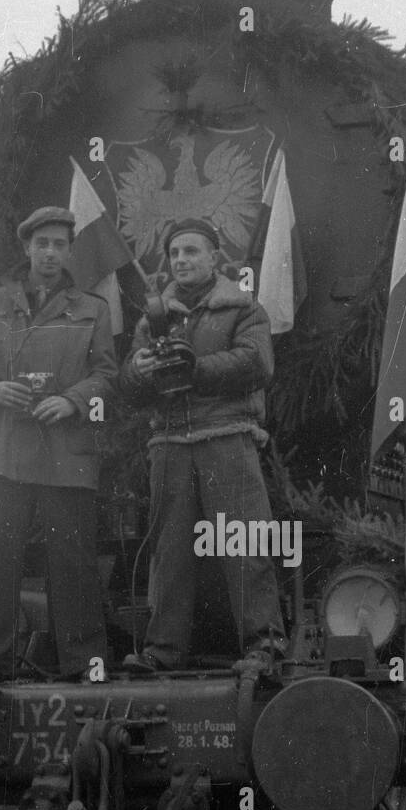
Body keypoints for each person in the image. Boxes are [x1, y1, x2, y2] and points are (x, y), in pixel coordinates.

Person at [0, 206, 116, 680]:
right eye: (42, 243)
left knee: (75, 563)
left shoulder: (91, 309)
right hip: (3, 451)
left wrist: (72, 400)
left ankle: (87, 666)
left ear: (68, 251)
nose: (50, 252)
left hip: (67, 454)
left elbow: (107, 374)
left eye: (60, 244)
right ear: (27, 247)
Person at [119, 217, 286, 672]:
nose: (181, 261)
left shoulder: (244, 309)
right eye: (174, 254)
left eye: (192, 252)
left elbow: (258, 363)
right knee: (169, 551)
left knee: (243, 544)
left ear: (215, 258)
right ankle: (163, 651)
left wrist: (195, 368)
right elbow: (130, 387)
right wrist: (142, 367)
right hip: (170, 443)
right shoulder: (154, 318)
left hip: (228, 436)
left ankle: (264, 644)